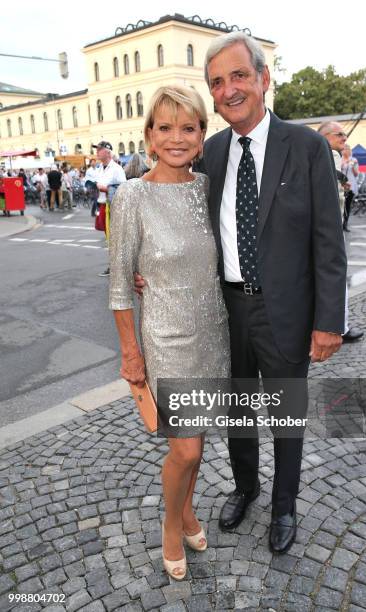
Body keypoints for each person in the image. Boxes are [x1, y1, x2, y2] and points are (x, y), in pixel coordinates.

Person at [135, 33, 347, 555]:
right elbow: (167, 202)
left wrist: (329, 321)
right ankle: (246, 488)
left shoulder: (308, 147)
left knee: (286, 414)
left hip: (288, 314)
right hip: (224, 311)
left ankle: (285, 505)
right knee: (237, 413)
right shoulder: (210, 153)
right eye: (217, 82)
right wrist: (147, 265)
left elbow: (329, 242)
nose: (228, 89)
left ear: (262, 79)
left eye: (238, 76)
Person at [109, 85, 230, 580]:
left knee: (197, 441)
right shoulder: (132, 195)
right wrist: (131, 355)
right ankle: (169, 525)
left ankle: (186, 511)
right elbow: (120, 287)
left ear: (202, 136)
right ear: (149, 137)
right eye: (165, 127)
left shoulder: (207, 189)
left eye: (188, 127)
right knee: (187, 448)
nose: (176, 137)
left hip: (213, 333)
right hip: (166, 338)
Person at [318, 121, 364, 344]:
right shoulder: (327, 155)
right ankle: (339, 327)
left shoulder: (328, 155)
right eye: (340, 135)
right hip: (327, 231)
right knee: (335, 277)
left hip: (328, 228)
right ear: (325, 136)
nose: (344, 139)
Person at [92, 142, 126, 277]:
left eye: (99, 149)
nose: (97, 152)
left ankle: (117, 266)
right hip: (102, 204)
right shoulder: (100, 168)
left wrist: (105, 189)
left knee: (115, 237)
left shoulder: (116, 168)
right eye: (97, 149)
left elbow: (123, 189)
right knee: (109, 237)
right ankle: (115, 265)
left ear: (107, 152)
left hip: (112, 206)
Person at [341, 144, 359, 231]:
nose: (346, 151)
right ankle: (340, 222)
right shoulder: (340, 159)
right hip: (341, 184)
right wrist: (345, 163)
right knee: (340, 204)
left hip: (351, 184)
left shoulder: (354, 160)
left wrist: (352, 167)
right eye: (344, 149)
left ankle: (345, 224)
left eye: (347, 149)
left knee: (348, 205)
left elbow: (356, 174)